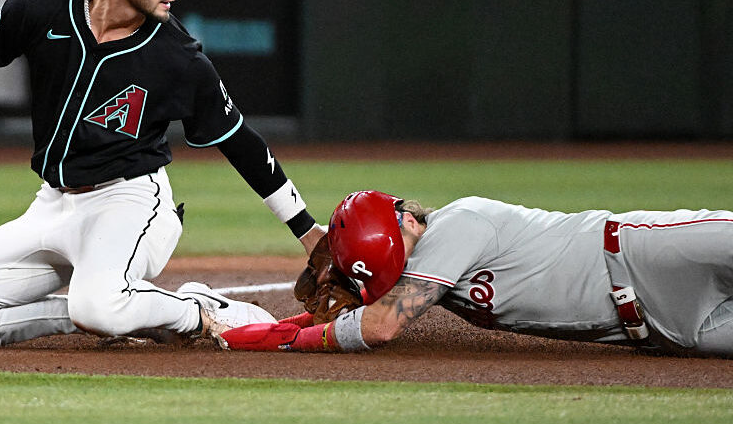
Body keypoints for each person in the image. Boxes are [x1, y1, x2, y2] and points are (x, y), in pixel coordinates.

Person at [0, 0, 325, 348]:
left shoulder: (179, 57)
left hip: (130, 203)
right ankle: (106, 316)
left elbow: (240, 142)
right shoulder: (44, 6)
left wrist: (306, 230)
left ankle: (202, 310)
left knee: (98, 304)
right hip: (52, 205)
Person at [221, 190, 733, 358]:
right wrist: (293, 325)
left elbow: (380, 325)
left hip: (643, 253)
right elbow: (372, 310)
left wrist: (290, 342)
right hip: (664, 327)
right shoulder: (428, 281)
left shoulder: (459, 223)